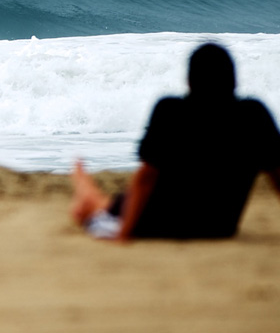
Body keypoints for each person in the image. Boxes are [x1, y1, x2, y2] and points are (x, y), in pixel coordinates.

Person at [70, 42, 280, 241]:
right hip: (219, 227)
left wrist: (124, 234)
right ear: (234, 80)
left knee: (96, 214)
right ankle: (89, 191)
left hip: (157, 224)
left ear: (188, 80)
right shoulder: (254, 115)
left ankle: (86, 193)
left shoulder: (170, 111)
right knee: (112, 203)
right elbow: (278, 176)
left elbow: (146, 178)